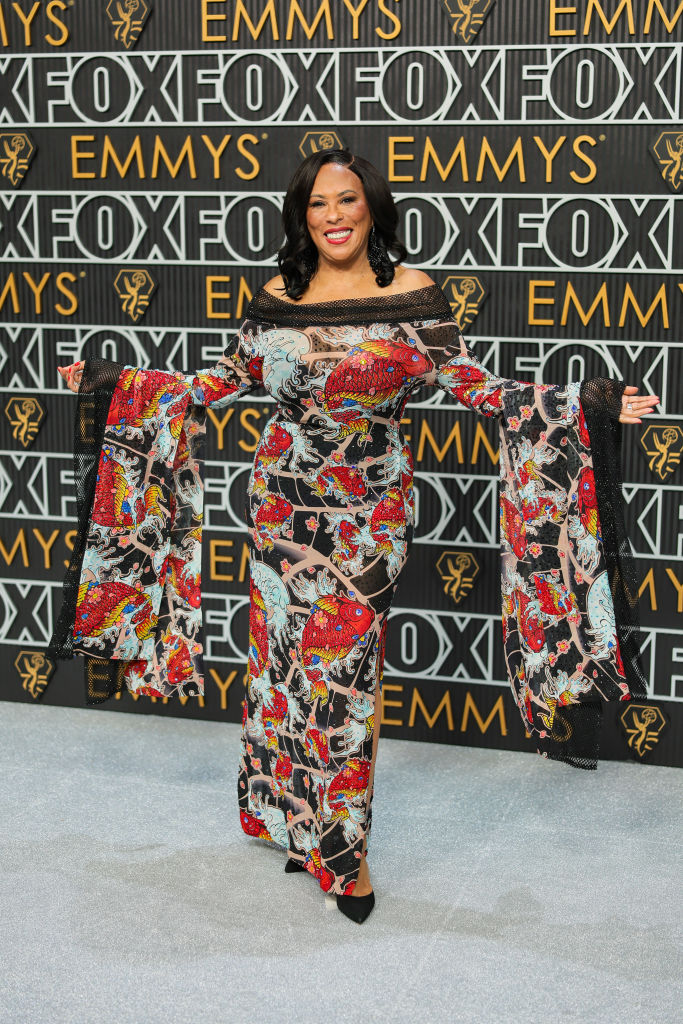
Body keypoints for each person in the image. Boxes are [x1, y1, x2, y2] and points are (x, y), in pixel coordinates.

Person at [54, 149, 658, 924]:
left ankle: (345, 855)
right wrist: (119, 387)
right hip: (276, 509)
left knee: (341, 681)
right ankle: (290, 822)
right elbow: (223, 380)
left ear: (371, 207)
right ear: (301, 216)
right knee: (280, 676)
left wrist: (585, 405)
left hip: (367, 521)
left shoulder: (411, 293)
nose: (333, 216)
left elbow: (473, 385)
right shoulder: (278, 293)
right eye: (317, 204)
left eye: (346, 200)